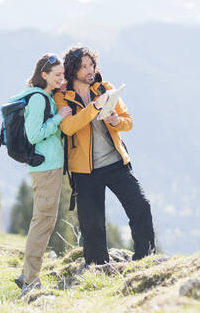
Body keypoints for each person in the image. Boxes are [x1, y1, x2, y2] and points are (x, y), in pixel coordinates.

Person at [54, 46, 155, 265]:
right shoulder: (63, 97)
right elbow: (68, 127)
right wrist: (93, 107)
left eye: (92, 65)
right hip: (84, 171)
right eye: (84, 67)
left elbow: (128, 120)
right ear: (72, 71)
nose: (90, 70)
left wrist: (118, 122)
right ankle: (98, 268)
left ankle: (144, 261)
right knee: (92, 224)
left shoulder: (106, 88)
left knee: (141, 206)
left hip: (116, 163)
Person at [13, 53, 72, 294]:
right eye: (57, 75)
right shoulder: (38, 99)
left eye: (62, 74)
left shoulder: (44, 95)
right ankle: (30, 280)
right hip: (45, 168)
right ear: (44, 75)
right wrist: (59, 118)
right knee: (42, 222)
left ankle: (27, 273)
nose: (61, 78)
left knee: (44, 221)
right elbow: (34, 134)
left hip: (48, 166)